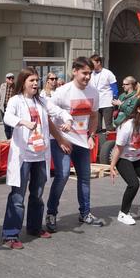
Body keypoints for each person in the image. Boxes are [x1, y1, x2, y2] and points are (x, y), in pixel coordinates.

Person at [1, 68, 73, 249]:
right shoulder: (16, 100)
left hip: (40, 155)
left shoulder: (42, 100)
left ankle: (34, 228)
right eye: (31, 80)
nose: (35, 83)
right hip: (23, 156)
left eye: (36, 80)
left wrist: (68, 121)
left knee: (37, 194)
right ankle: (10, 234)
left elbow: (58, 111)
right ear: (23, 82)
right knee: (17, 196)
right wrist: (22, 122)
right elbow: (8, 116)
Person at [45, 57, 104, 231]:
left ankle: (85, 213)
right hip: (61, 140)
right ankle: (51, 213)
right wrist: (60, 139)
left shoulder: (93, 92)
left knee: (85, 178)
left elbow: (94, 116)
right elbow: (48, 116)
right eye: (84, 73)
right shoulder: (62, 92)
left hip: (82, 142)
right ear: (75, 71)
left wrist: (91, 135)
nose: (87, 77)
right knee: (62, 176)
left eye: (90, 74)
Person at [109, 97, 140, 225]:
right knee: (134, 184)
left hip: (139, 158)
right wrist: (112, 166)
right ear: (138, 109)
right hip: (123, 158)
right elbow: (118, 148)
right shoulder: (128, 126)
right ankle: (123, 213)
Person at [90, 54, 118, 131]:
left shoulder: (108, 73)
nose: (91, 65)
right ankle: (98, 142)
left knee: (108, 126)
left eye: (93, 63)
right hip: (96, 103)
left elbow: (114, 88)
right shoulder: (91, 74)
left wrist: (115, 99)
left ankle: (111, 142)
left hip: (107, 102)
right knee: (97, 127)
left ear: (98, 62)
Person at [0, 72, 15, 139]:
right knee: (6, 125)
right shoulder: (3, 86)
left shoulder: (16, 86)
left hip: (13, 109)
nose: (11, 79)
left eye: (12, 78)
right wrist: (0, 105)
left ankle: (13, 139)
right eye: (9, 78)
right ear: (6, 79)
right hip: (4, 108)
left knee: (13, 125)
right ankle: (8, 139)